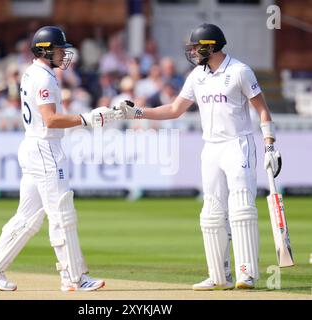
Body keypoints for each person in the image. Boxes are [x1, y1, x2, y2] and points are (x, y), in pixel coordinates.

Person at [114, 23, 282, 290]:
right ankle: (219, 276)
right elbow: (173, 109)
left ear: (211, 46)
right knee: (212, 213)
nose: (192, 52)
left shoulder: (239, 71)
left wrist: (270, 145)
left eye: (196, 47)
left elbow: (263, 110)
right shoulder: (197, 76)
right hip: (211, 148)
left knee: (240, 209)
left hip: (238, 144)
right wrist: (136, 113)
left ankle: (246, 274)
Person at [0, 26, 114, 292]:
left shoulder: (32, 72)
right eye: (60, 49)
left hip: (34, 145)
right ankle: (74, 278)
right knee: (62, 212)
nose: (64, 54)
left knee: (28, 217)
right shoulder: (43, 78)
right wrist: (86, 118)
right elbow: (51, 119)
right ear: (45, 51)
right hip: (46, 149)